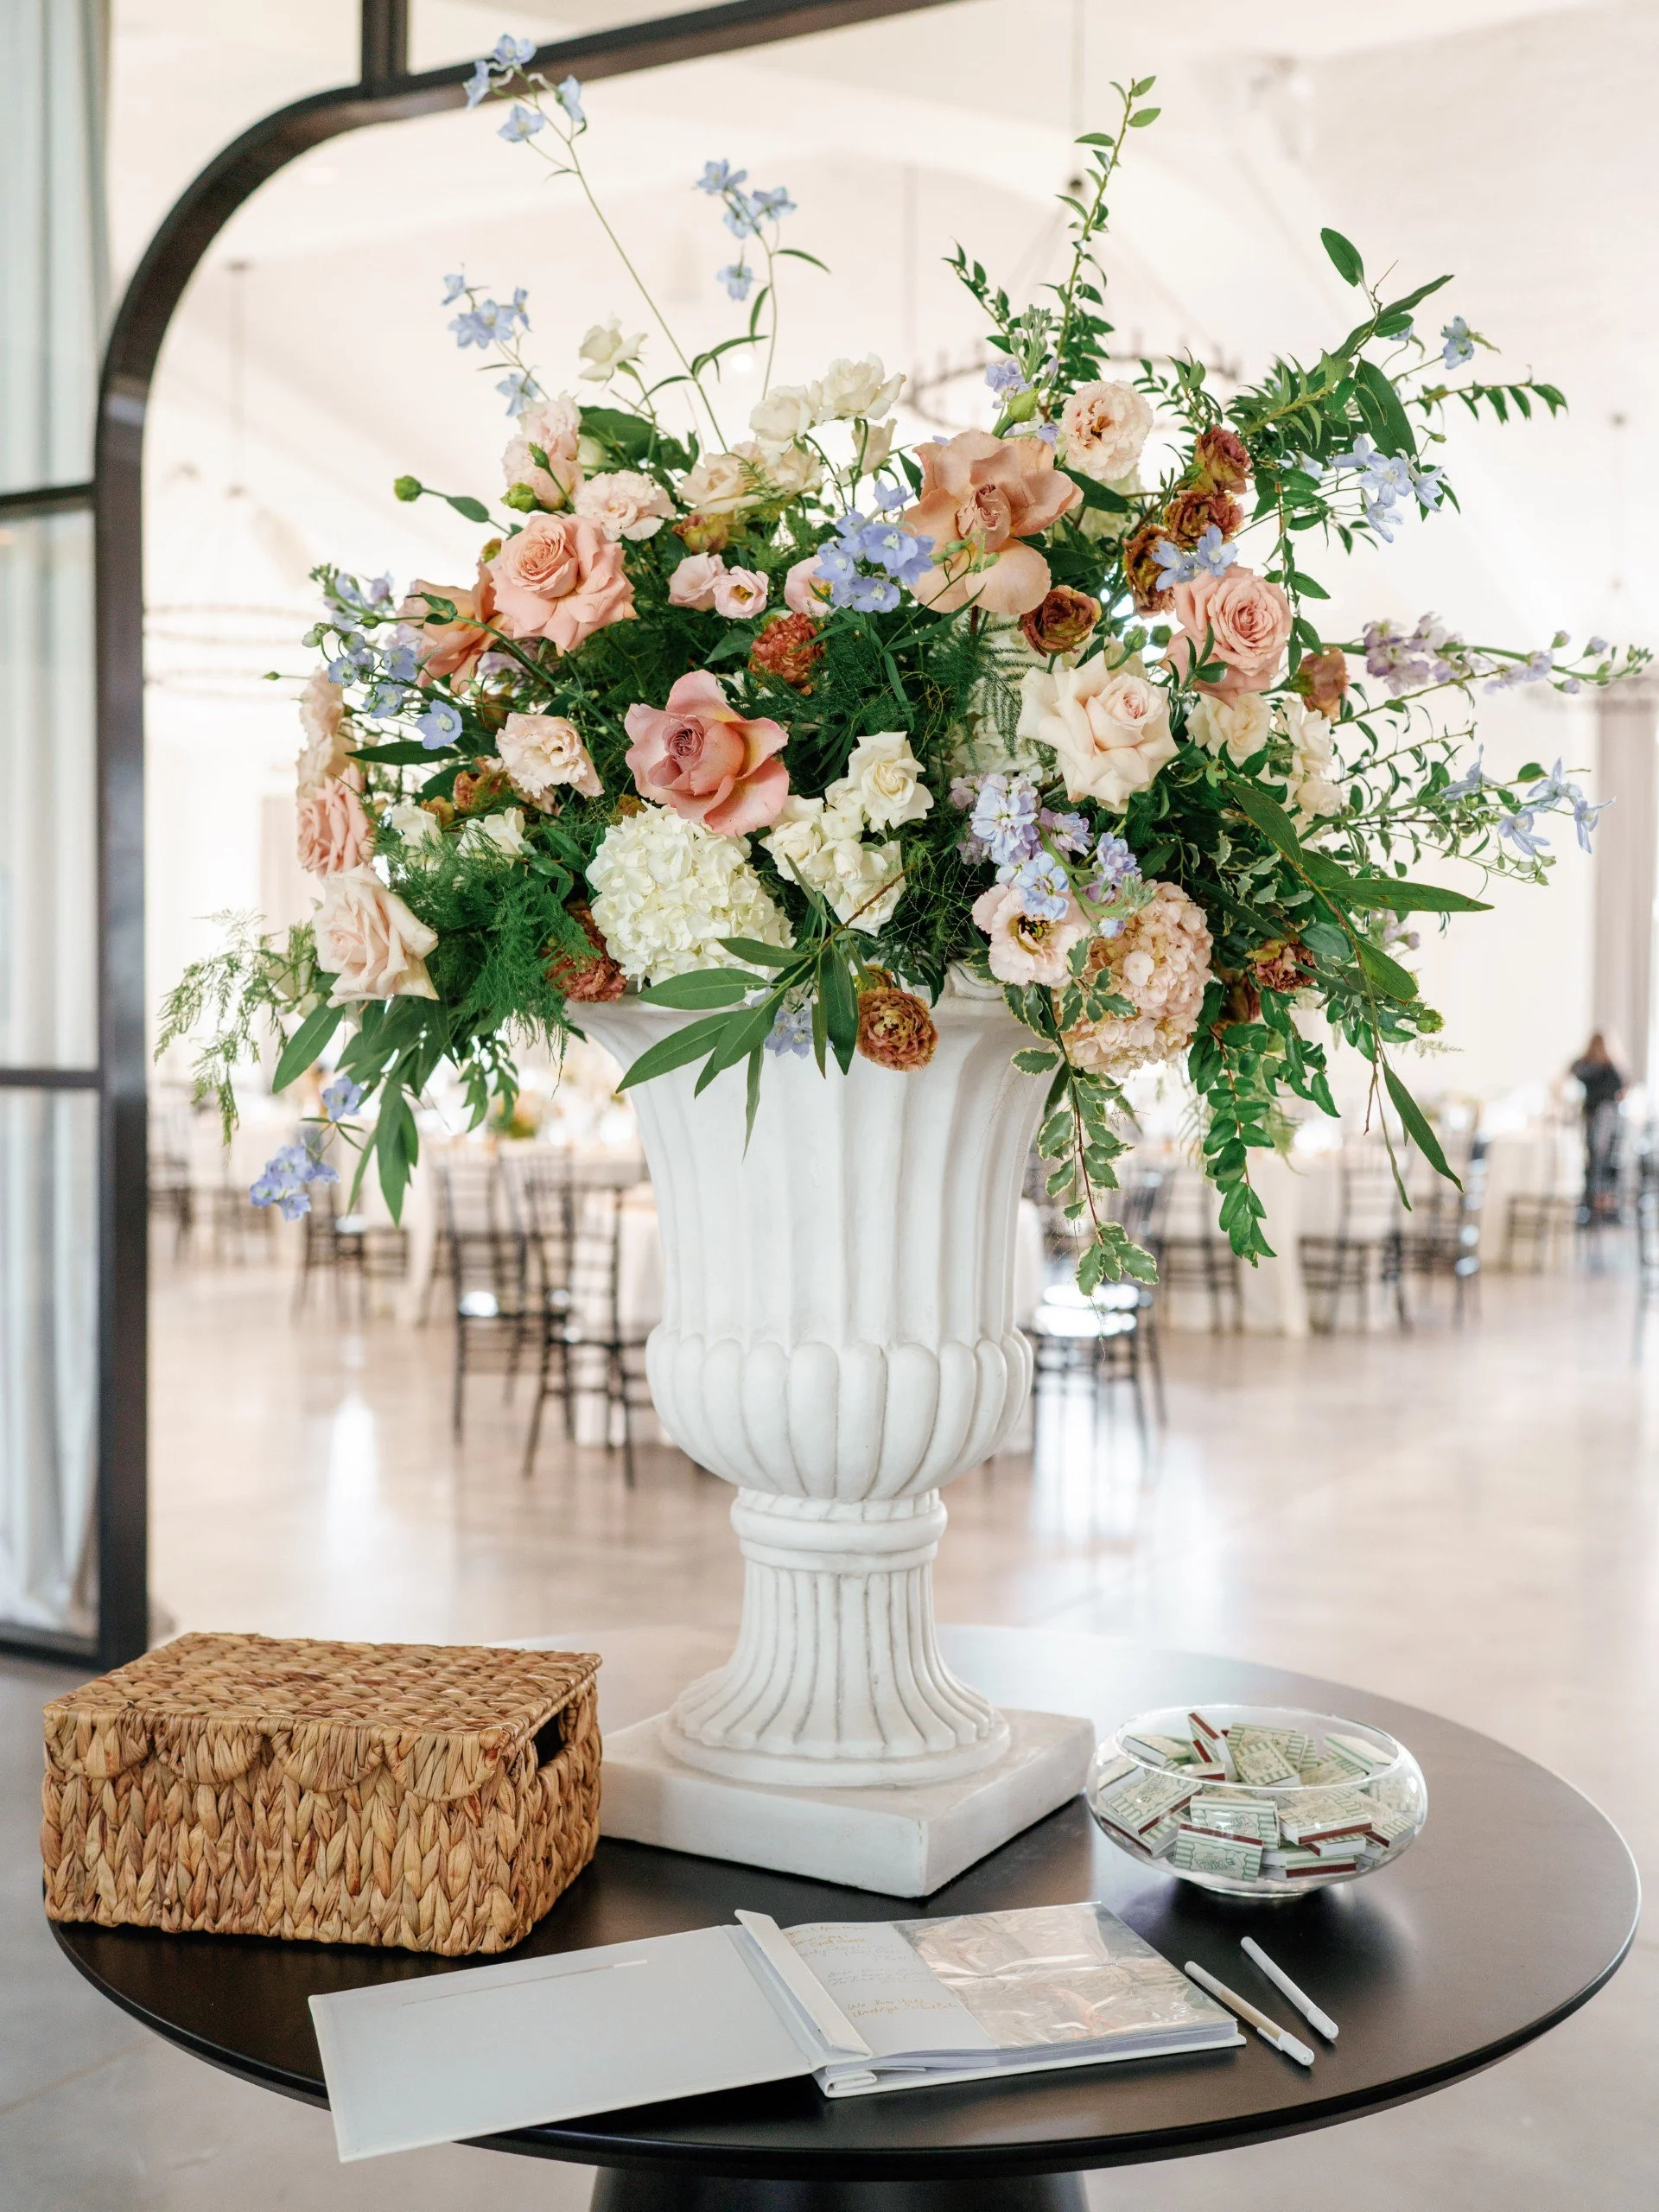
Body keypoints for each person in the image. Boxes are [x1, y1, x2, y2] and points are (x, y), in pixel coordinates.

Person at [1570, 1033, 1625, 1223]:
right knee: (1598, 1163)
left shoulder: (1604, 1069)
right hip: (1602, 1124)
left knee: (1595, 1162)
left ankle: (1594, 1205)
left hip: (1599, 1122)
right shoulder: (1602, 1068)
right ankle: (1596, 1205)